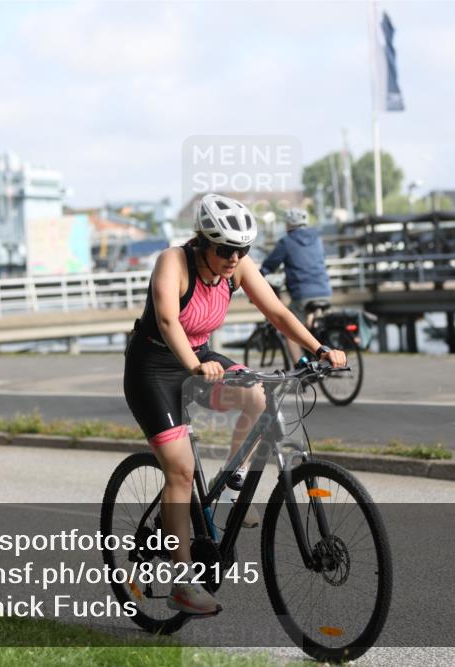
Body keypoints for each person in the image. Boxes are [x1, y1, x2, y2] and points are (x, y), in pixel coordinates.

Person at [123, 194, 346, 616]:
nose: (233, 258)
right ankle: (183, 584)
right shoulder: (174, 261)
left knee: (258, 397)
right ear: (202, 241)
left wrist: (319, 348)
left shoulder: (237, 268)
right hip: (154, 367)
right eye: (224, 249)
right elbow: (168, 319)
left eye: (241, 249)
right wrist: (193, 365)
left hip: (199, 359)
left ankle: (229, 488)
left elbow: (276, 312)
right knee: (181, 469)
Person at [259, 207, 333, 360]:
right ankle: (316, 355)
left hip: (303, 293)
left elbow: (269, 264)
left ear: (288, 224)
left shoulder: (287, 241)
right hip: (325, 290)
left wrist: (259, 277)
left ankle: (302, 367)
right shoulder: (317, 238)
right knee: (307, 323)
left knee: (290, 330)